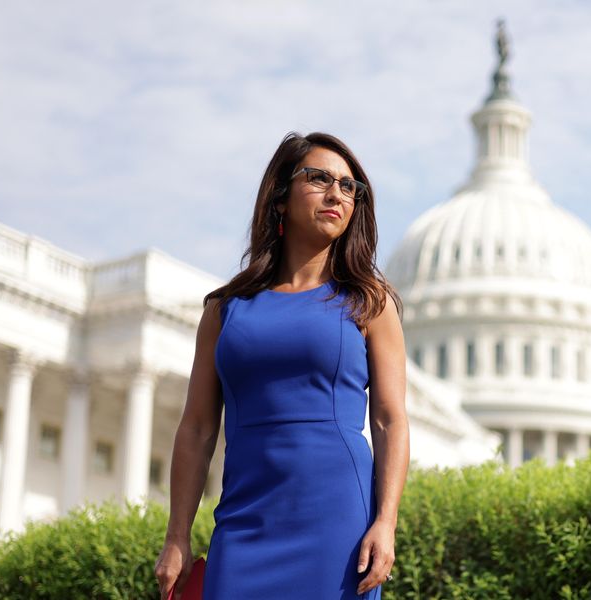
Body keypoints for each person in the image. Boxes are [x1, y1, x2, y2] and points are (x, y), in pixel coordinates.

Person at [154, 132, 410, 599]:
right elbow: (196, 427)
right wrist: (176, 536)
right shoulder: (224, 309)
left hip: (337, 525)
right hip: (244, 522)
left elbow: (390, 419)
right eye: (319, 179)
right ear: (279, 197)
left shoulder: (370, 303)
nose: (337, 193)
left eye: (350, 187)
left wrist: (386, 523)